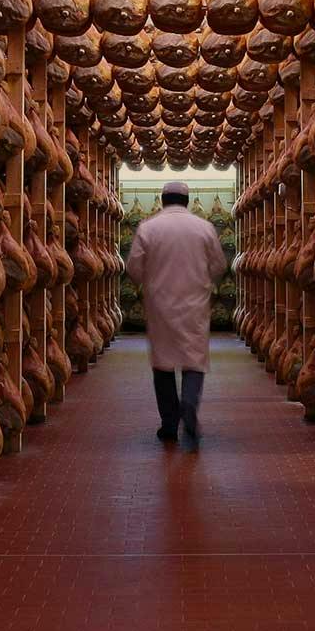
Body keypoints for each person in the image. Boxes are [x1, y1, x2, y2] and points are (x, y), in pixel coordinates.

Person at [125, 181, 228, 450]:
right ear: (186, 200)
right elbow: (219, 264)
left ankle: (170, 424)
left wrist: (148, 283)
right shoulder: (204, 227)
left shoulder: (148, 227)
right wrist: (206, 281)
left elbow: (133, 267)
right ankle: (189, 406)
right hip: (194, 303)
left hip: (160, 304)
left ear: (162, 200)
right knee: (194, 359)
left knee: (163, 363)